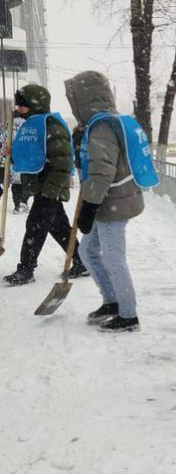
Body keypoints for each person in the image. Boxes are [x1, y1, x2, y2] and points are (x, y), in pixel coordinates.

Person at [65, 71, 152, 333]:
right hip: (113, 199)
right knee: (87, 251)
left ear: (83, 100)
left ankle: (128, 315)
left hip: (112, 202)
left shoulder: (102, 127)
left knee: (114, 258)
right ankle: (113, 301)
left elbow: (102, 171)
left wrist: (89, 206)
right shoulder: (105, 122)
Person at [3, 85, 87, 286]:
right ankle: (82, 261)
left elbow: (62, 162)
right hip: (44, 186)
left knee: (35, 226)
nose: (18, 108)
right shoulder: (34, 124)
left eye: (22, 105)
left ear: (34, 104)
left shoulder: (51, 125)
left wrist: (50, 191)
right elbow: (33, 155)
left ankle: (26, 269)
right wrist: (13, 155)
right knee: (58, 227)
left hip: (50, 187)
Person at [0, 115, 29, 214]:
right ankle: (21, 203)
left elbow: (2, 143)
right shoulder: (28, 128)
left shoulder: (7, 127)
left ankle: (18, 205)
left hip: (9, 161)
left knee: (11, 183)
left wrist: (4, 152)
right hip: (23, 161)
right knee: (22, 183)